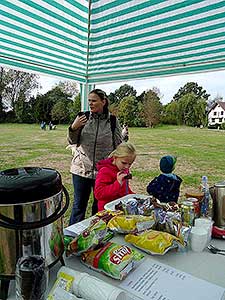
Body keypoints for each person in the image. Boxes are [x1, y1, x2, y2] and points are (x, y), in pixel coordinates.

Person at [67, 89, 122, 224]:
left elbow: (119, 146)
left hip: (103, 172)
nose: (90, 104)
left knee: (98, 208)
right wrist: (74, 127)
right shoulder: (83, 117)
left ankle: (95, 236)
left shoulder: (113, 121)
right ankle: (71, 237)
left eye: (94, 101)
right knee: (78, 206)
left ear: (103, 102)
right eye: (89, 101)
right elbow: (72, 141)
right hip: (81, 169)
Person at [94, 142, 136, 212]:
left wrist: (134, 196)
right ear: (115, 158)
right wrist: (117, 184)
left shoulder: (123, 169)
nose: (127, 167)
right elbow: (99, 194)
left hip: (121, 208)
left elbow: (124, 189)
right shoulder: (105, 171)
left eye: (130, 164)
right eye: (124, 163)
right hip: (108, 211)